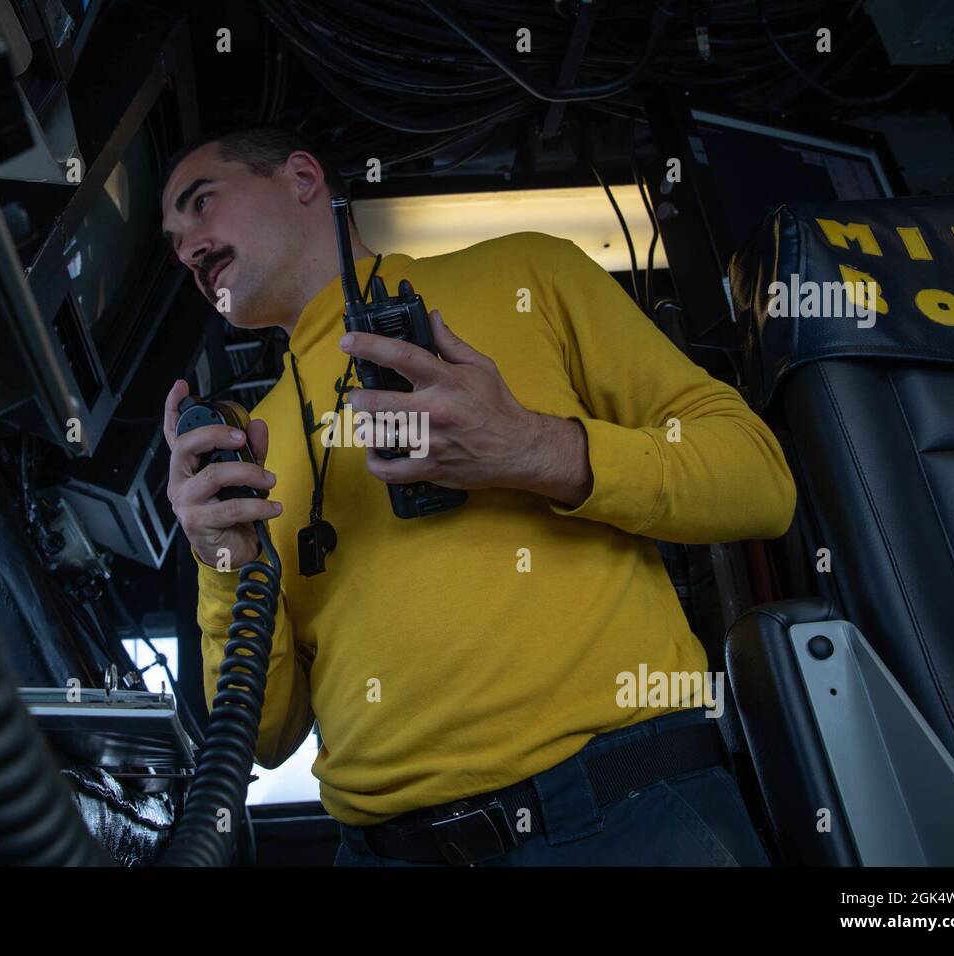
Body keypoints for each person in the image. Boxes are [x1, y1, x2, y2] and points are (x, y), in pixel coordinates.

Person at [159, 124, 796, 866]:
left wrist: (534, 448)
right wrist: (223, 562)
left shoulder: (527, 271)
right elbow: (264, 737)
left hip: (623, 813)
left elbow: (759, 480)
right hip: (382, 849)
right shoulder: (251, 444)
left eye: (200, 205)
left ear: (303, 178)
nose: (188, 249)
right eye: (173, 240)